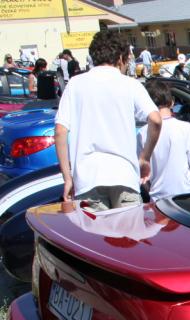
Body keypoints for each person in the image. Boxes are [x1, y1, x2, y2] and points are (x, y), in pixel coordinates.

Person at [54, 30, 162, 210]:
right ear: (120, 58)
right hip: (125, 177)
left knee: (94, 229)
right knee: (129, 229)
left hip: (88, 179)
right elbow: (156, 119)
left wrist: (67, 178)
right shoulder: (130, 84)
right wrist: (145, 157)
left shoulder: (75, 84)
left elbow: (60, 131)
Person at [138, 81, 190, 201]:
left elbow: (141, 174)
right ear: (172, 102)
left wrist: (151, 191)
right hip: (186, 196)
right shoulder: (186, 128)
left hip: (158, 199)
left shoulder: (142, 133)